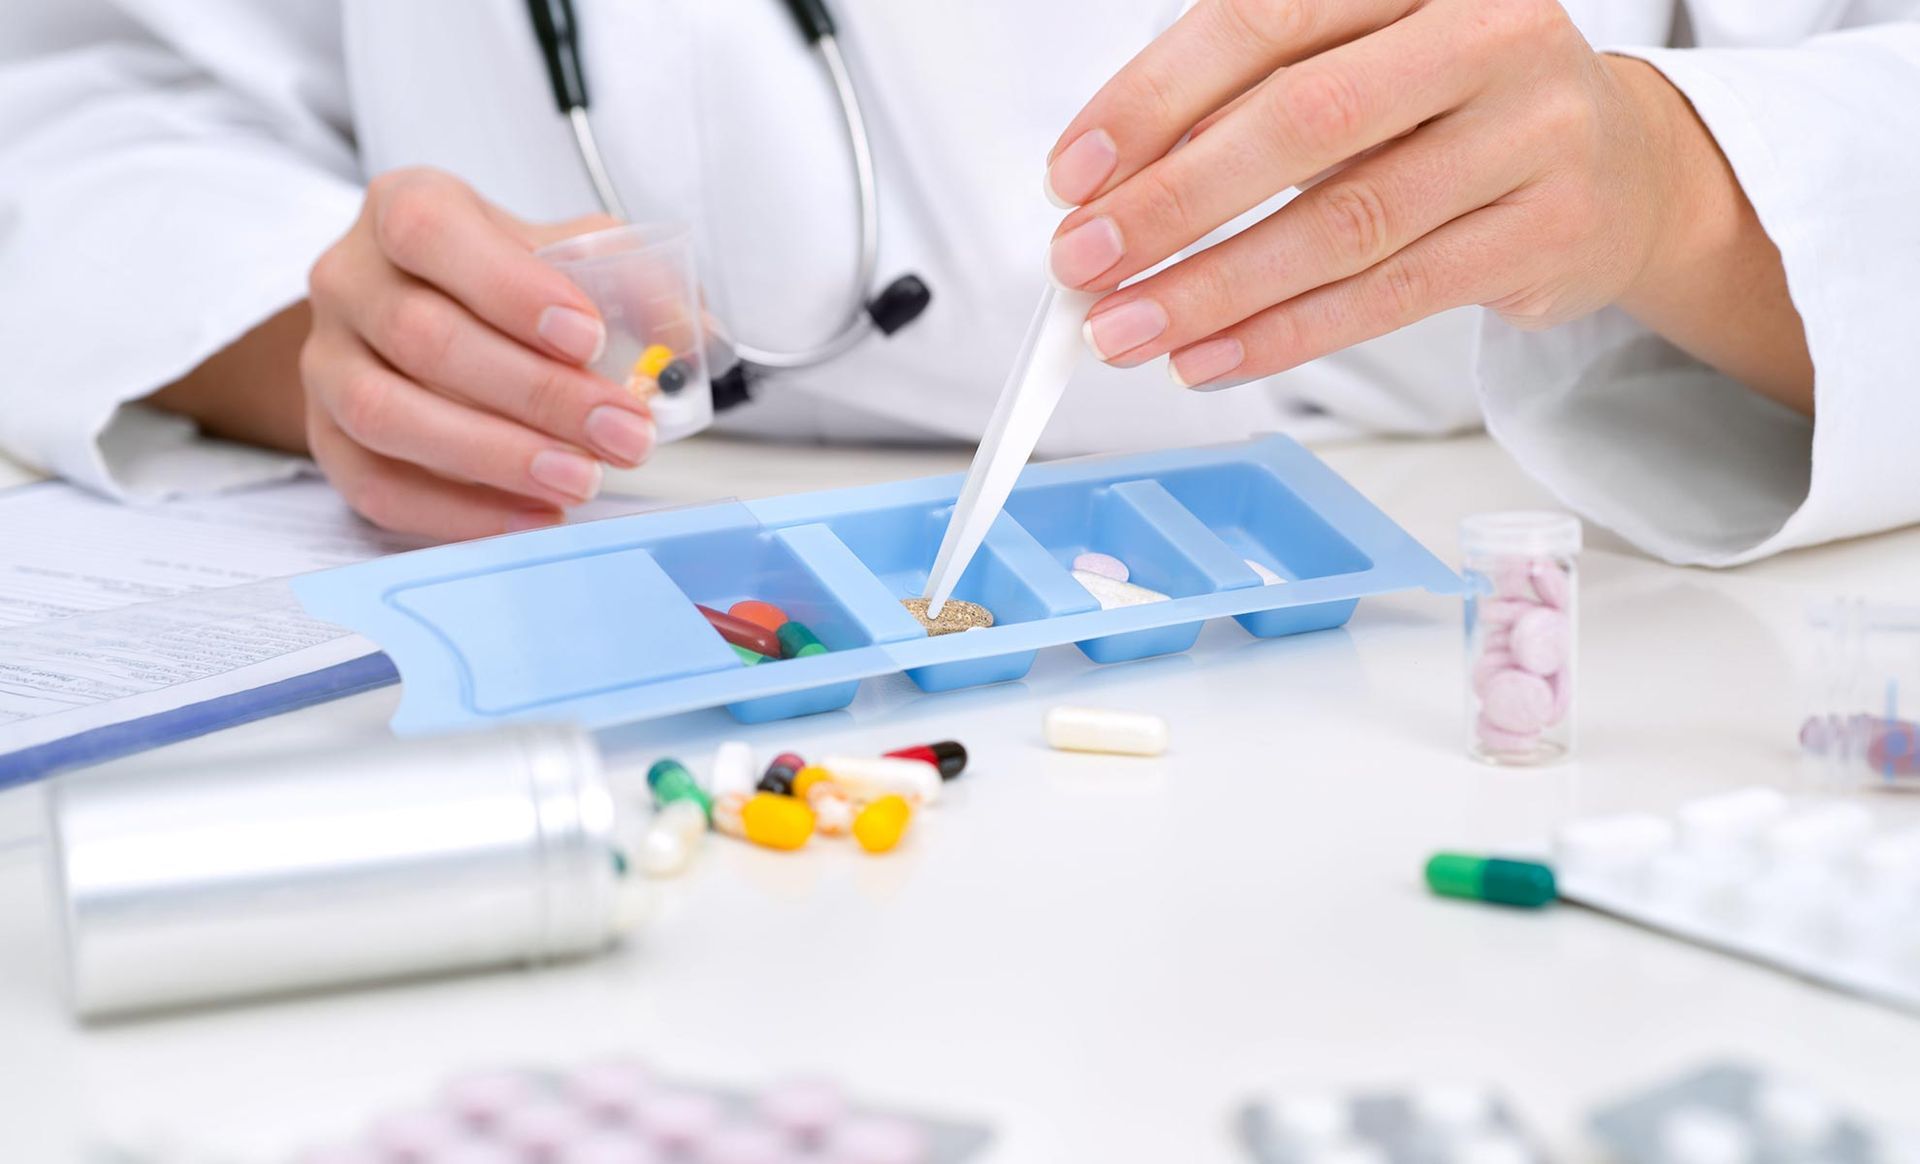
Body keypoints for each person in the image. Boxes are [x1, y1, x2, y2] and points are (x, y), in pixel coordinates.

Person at [1, 1, 1915, 564]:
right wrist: (331, 338)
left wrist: (1671, 187)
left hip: (1440, 546)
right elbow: (81, 85)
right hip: (569, 562)